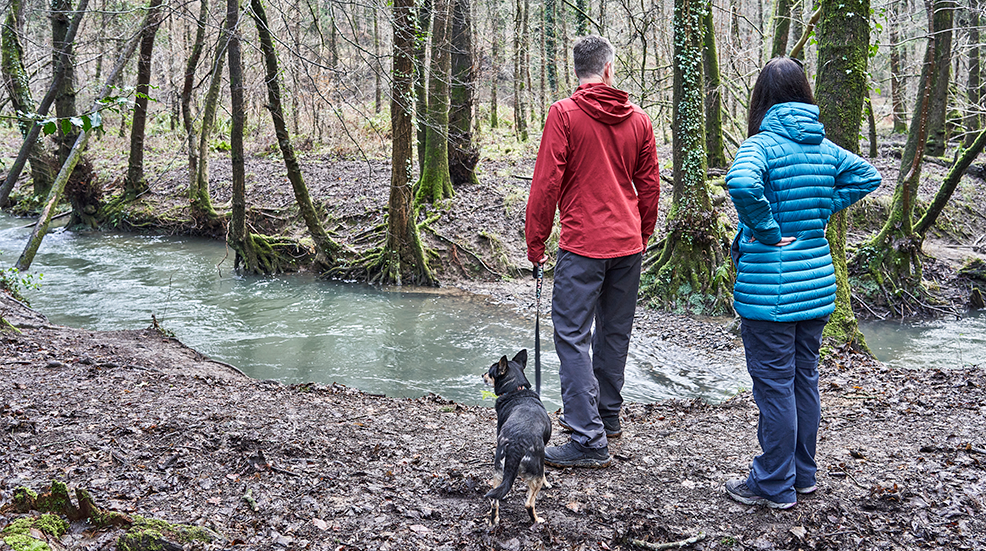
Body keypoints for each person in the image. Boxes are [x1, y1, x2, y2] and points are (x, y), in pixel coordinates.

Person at [724, 57, 882, 508]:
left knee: (776, 387)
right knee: (803, 382)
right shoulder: (824, 146)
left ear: (761, 99)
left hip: (770, 292)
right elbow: (868, 176)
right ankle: (803, 475)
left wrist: (768, 231)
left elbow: (740, 184)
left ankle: (773, 484)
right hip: (816, 289)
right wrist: (825, 206)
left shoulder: (763, 145)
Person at [525, 35, 661, 468]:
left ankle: (588, 438)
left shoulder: (564, 114)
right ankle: (606, 416)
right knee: (614, 333)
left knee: (571, 336)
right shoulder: (638, 119)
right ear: (608, 69)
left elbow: (546, 182)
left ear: (578, 71)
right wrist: (641, 232)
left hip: (583, 245)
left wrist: (536, 243)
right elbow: (650, 186)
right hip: (627, 244)